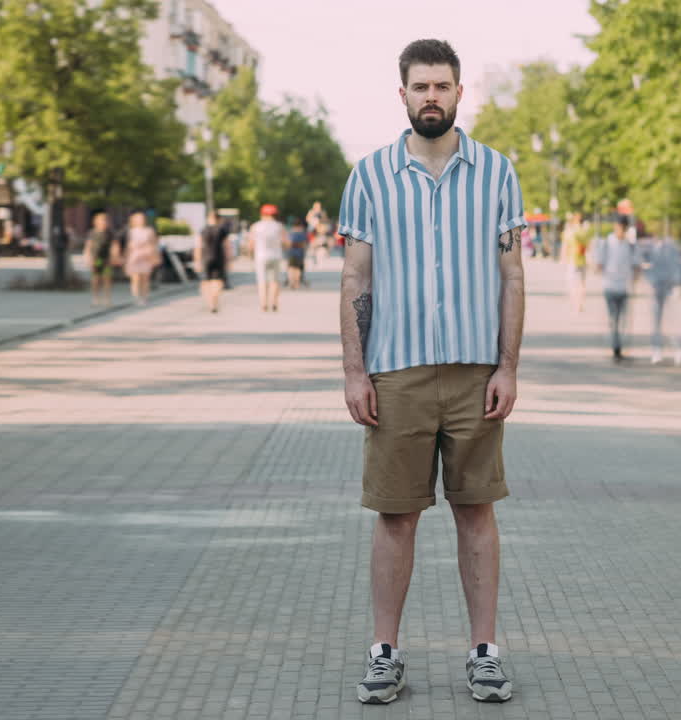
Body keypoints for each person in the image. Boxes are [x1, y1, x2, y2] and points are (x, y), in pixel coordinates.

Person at [339, 39, 523, 706]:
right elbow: (355, 279)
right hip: (397, 374)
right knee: (396, 517)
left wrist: (508, 367)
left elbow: (512, 276)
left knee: (476, 512)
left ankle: (484, 654)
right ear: (403, 95)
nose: (432, 97)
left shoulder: (498, 172)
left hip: (476, 374)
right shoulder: (369, 176)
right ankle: (384, 653)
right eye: (420, 87)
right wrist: (356, 373)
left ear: (459, 92)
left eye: (442, 86)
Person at [593, 216, 641, 362]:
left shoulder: (630, 245)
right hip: (610, 286)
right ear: (615, 227)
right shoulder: (607, 243)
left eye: (623, 227)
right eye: (619, 227)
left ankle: (619, 346)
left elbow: (636, 265)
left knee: (623, 320)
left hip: (624, 287)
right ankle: (616, 349)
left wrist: (635, 276)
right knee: (614, 319)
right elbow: (598, 264)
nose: (621, 230)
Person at [643, 233, 681, 365]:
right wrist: (650, 282)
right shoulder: (650, 248)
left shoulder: (672, 248)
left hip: (669, 288)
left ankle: (677, 350)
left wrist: (678, 284)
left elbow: (678, 266)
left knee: (673, 321)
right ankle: (656, 351)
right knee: (656, 322)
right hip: (656, 288)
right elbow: (646, 268)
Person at [247, 204, 286, 311]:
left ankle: (263, 303)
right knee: (274, 281)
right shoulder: (279, 226)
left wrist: (250, 256)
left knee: (262, 281)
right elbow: (285, 242)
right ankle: (274, 302)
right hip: (276, 256)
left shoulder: (256, 226)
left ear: (262, 214)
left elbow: (250, 244)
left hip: (261, 256)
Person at [195, 210, 232, 313]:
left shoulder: (203, 230)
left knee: (205, 281)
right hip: (219, 258)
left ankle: (210, 301)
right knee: (218, 281)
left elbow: (198, 247)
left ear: (208, 218)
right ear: (219, 219)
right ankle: (214, 299)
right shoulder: (223, 230)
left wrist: (197, 261)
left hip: (205, 258)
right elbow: (227, 246)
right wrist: (229, 260)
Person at [84, 212, 119, 306]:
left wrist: (115, 256)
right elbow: (88, 246)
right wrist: (87, 257)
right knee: (96, 279)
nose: (103, 222)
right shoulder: (92, 232)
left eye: (105, 221)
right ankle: (95, 298)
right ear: (96, 222)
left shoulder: (110, 233)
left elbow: (115, 245)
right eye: (101, 221)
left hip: (107, 259)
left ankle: (107, 298)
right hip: (96, 259)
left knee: (107, 278)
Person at [124, 211, 159, 305]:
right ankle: (136, 297)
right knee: (135, 278)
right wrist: (126, 258)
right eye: (138, 218)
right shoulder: (131, 231)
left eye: (142, 218)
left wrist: (155, 256)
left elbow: (154, 243)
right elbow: (127, 246)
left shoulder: (149, 230)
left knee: (145, 279)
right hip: (134, 256)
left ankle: (144, 297)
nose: (141, 220)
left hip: (146, 255)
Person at [559, 213, 590, 313]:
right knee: (582, 284)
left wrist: (562, 260)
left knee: (572, 283)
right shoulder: (584, 232)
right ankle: (580, 304)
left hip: (571, 260)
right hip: (582, 260)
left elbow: (564, 247)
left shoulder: (568, 232)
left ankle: (575, 303)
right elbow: (588, 247)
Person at [286, 218, 308, 289]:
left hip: (291, 252)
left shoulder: (290, 232)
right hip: (300, 253)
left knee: (291, 268)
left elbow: (288, 243)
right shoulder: (303, 233)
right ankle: (297, 283)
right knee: (298, 268)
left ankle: (291, 282)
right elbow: (304, 244)